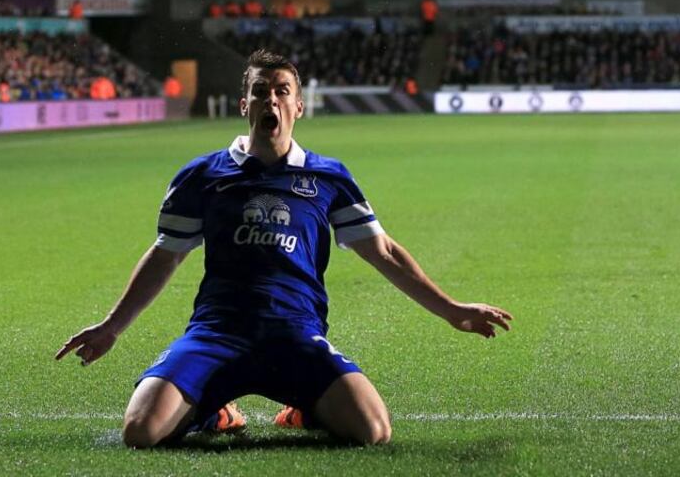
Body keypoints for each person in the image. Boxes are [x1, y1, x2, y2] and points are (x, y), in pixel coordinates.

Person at [55, 50, 513, 448]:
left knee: (373, 429)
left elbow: (385, 252)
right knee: (139, 430)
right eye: (259, 91)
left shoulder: (329, 178)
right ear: (244, 104)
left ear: (298, 105)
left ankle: (306, 409)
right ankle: (215, 411)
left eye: (280, 91)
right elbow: (166, 253)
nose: (269, 99)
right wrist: (113, 327)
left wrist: (450, 310)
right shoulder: (202, 175)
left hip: (295, 335)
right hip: (216, 334)